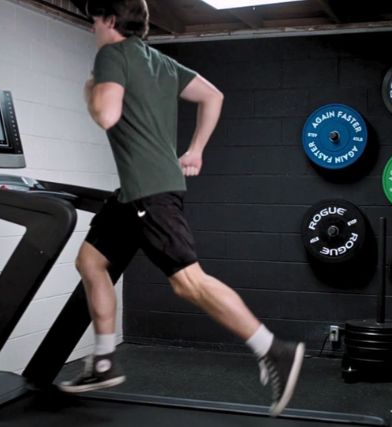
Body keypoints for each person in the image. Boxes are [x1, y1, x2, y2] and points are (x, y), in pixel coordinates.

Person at [57, 0, 305, 416]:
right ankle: (103, 361)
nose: (93, 28)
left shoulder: (111, 55)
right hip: (135, 192)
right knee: (90, 261)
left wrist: (89, 89)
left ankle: (273, 350)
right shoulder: (158, 61)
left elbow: (105, 114)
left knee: (187, 281)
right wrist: (195, 151)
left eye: (95, 21)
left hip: (148, 192)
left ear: (111, 21)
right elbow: (212, 95)